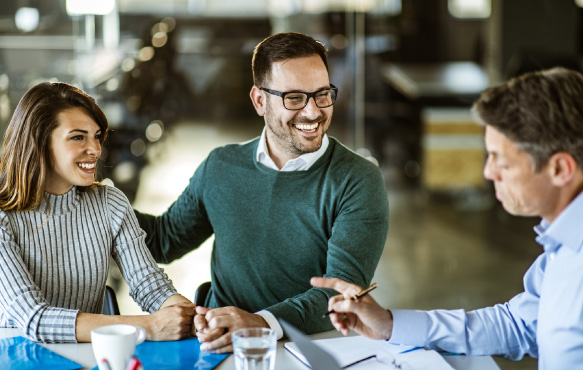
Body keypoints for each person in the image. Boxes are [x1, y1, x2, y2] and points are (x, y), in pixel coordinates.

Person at [311, 67, 583, 369]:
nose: (488, 172)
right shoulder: (563, 244)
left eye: (501, 161)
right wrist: (390, 325)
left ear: (560, 169)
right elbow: (520, 324)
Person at [135, 32, 389, 352]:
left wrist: (259, 323)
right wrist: (96, 199)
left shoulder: (358, 180)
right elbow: (163, 240)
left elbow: (342, 294)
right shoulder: (221, 166)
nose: (313, 112)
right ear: (259, 101)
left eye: (322, 95)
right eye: (294, 98)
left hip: (306, 348)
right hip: (220, 345)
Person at [0, 82, 196, 343]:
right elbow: (34, 318)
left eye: (96, 135)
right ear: (39, 142)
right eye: (78, 137)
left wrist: (187, 315)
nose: (95, 149)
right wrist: (147, 326)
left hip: (88, 356)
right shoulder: (4, 216)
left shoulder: (110, 203)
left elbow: (150, 286)